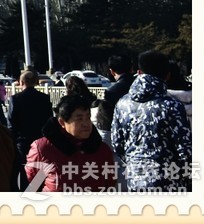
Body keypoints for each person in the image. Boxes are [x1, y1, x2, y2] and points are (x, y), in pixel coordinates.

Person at [111, 49, 192, 191]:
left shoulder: (122, 103)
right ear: (167, 76)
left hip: (135, 179)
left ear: (139, 72)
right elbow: (185, 150)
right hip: (169, 181)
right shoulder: (172, 106)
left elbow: (117, 143)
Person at [24, 94, 118, 192]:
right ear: (62, 122)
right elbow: (33, 185)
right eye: (79, 119)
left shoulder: (101, 150)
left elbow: (109, 183)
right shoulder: (43, 149)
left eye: (88, 118)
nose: (86, 124)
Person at [8, 69, 54, 186]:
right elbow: (50, 121)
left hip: (22, 142)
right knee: (40, 172)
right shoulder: (44, 98)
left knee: (24, 172)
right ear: (36, 82)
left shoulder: (15, 99)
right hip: (41, 142)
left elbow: (11, 124)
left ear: (21, 82)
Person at [94, 55, 134, 137]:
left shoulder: (111, 91)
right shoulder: (141, 86)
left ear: (111, 71)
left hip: (121, 130)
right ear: (131, 69)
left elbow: (108, 117)